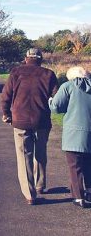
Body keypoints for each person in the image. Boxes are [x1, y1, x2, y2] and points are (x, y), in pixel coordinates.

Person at [1, 48, 58, 205]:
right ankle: (40, 185)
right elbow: (56, 97)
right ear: (40, 59)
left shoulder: (16, 72)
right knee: (40, 153)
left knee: (24, 156)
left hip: (20, 120)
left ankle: (30, 195)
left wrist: (6, 113)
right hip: (42, 121)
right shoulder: (49, 74)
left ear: (26, 58)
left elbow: (6, 95)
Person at [49, 66, 91, 208]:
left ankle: (79, 197)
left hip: (74, 134)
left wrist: (50, 100)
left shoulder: (68, 86)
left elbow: (56, 107)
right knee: (89, 165)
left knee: (75, 166)